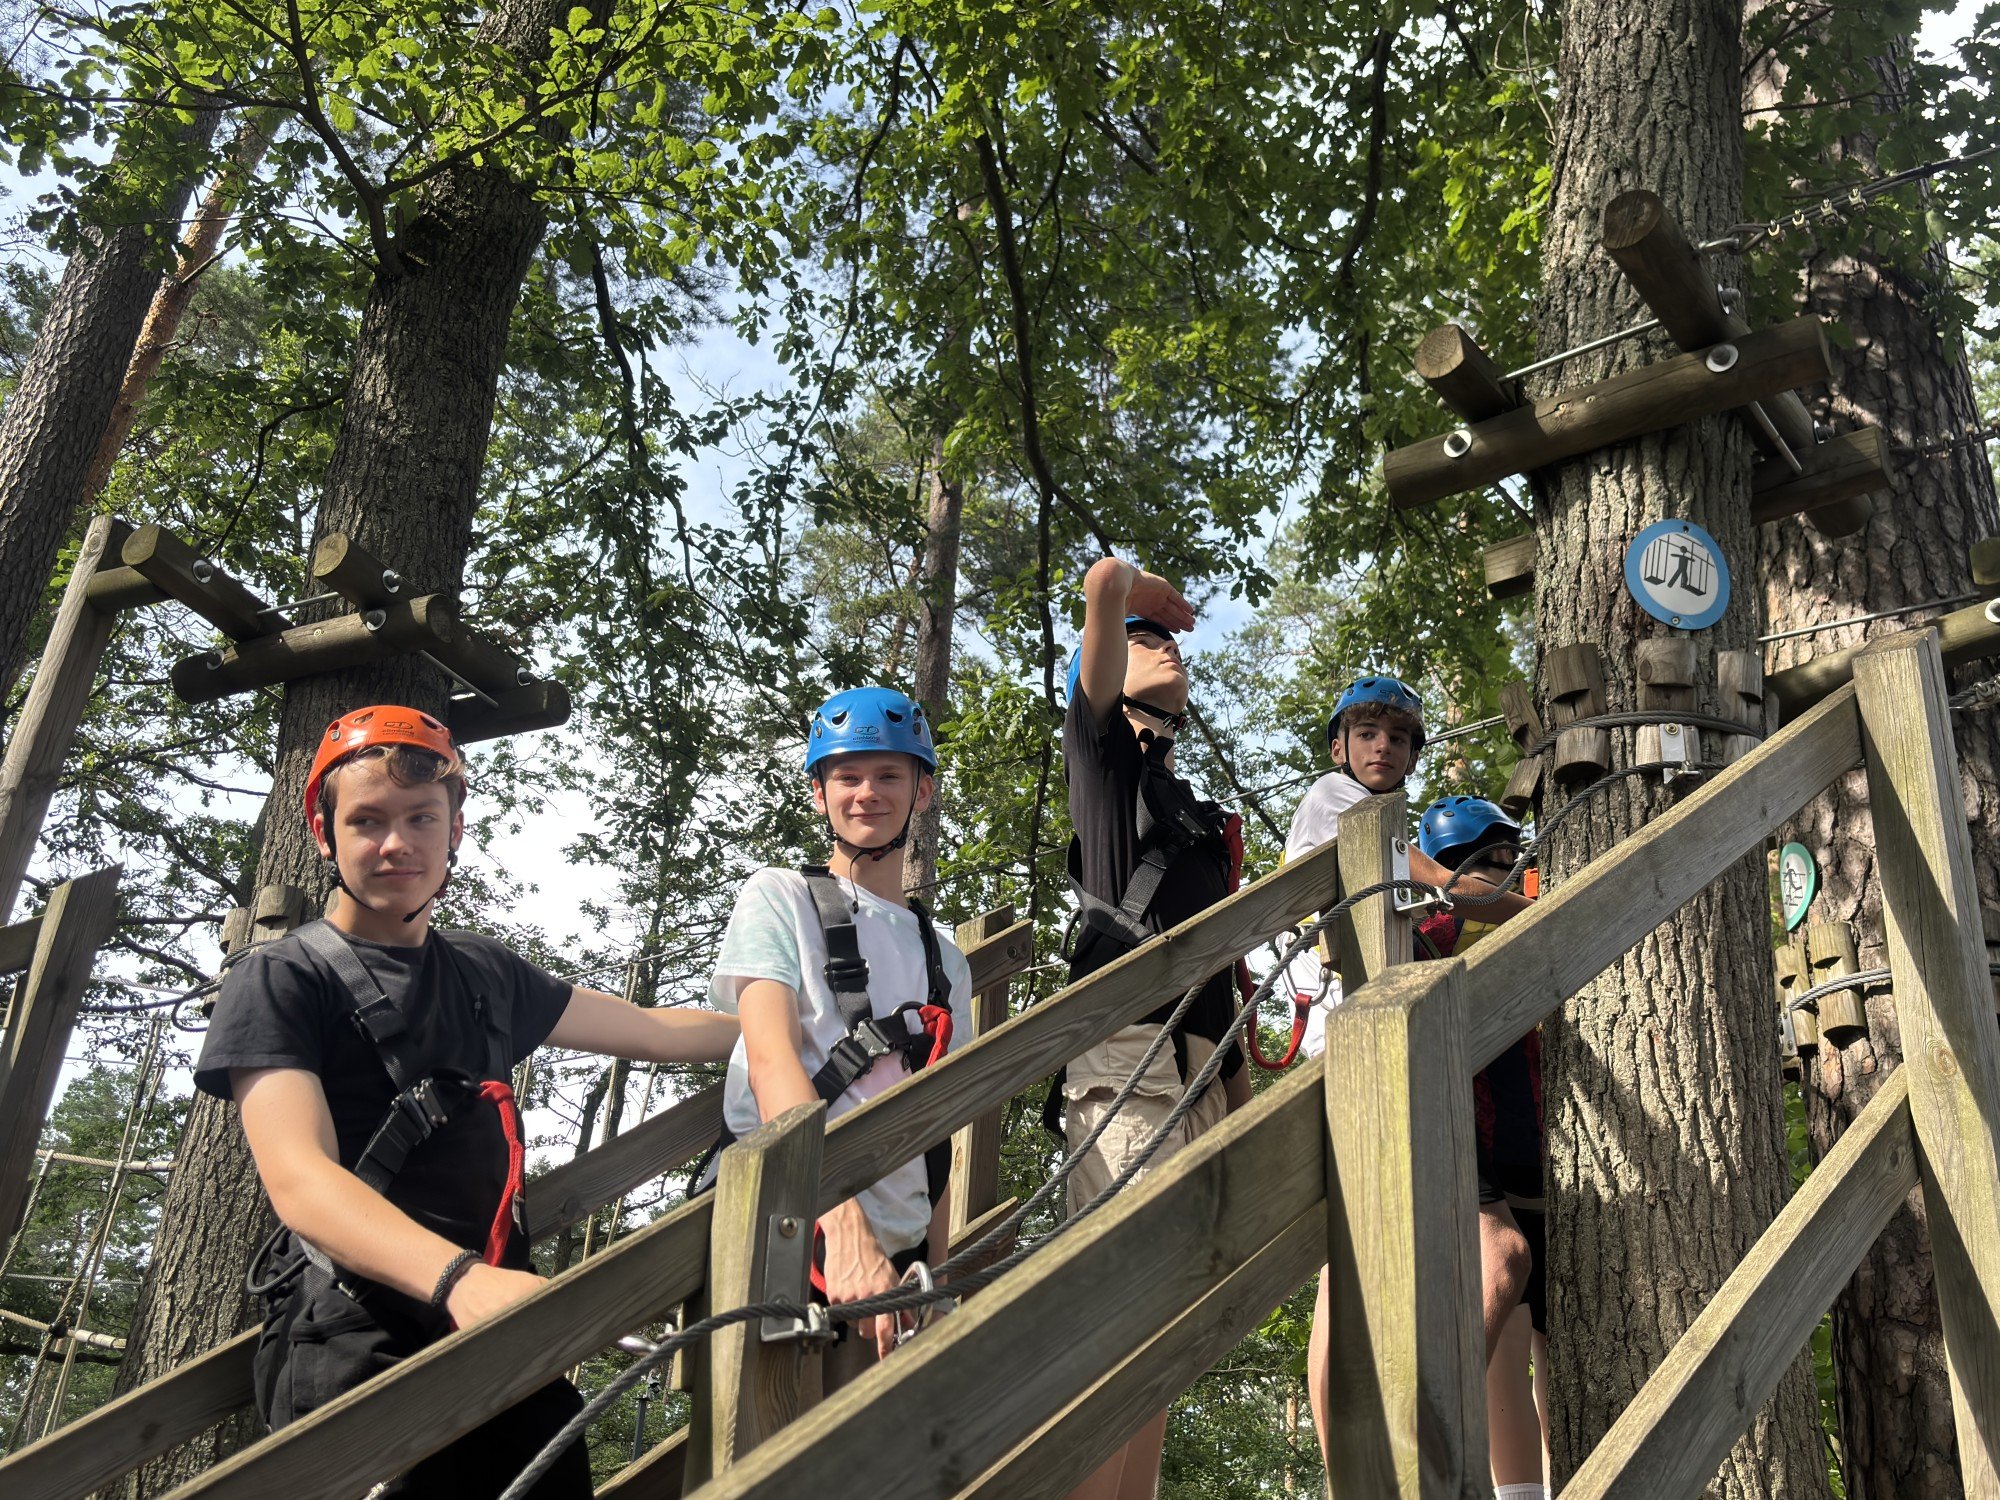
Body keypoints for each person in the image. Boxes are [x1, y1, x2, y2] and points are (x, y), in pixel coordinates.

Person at [196, 705, 740, 1499]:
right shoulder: (282, 977)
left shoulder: (484, 972)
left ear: (454, 829)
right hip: (358, 1336)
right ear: (324, 834)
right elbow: (301, 1179)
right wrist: (459, 1279)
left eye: (422, 817)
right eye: (367, 821)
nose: (397, 843)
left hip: (499, 1331)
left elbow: (651, 1029)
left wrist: (785, 1029)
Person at [1282, 683, 1535, 1469]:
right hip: (1357, 1053)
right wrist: (1533, 906)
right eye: (1367, 732)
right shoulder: (1338, 802)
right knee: (1364, 1272)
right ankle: (1377, 1461)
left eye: (1399, 737)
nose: (1383, 746)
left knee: (1455, 1260)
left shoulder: (1376, 823)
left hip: (1391, 1055)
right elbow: (1443, 883)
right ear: (1339, 747)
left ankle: (1404, 1445)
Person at [707, 686, 973, 1394]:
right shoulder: (780, 897)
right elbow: (771, 1061)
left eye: (888, 774)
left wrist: (935, 1272)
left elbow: (936, 1130)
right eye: (847, 775)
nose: (867, 793)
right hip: (787, 1232)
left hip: (898, 1261)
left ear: (921, 791)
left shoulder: (945, 959)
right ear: (818, 792)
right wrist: (840, 1221)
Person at [1059, 557, 1253, 1500]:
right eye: (1143, 641)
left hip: (1202, 1060)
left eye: (1168, 638)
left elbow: (1220, 969)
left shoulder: (1195, 812)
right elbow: (1101, 586)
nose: (1163, 645)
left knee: (1169, 1321)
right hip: (1129, 1057)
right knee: (1118, 1312)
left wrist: (1241, 1090)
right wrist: (1130, 595)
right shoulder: (1105, 765)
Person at [1418, 796, 1549, 1500]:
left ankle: (1548, 1485)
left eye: (1508, 858)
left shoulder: (1512, 912)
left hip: (1531, 1144)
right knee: (1511, 1306)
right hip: (1481, 1143)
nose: (1505, 870)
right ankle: (1505, 1483)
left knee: (1546, 1326)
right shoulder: (1433, 927)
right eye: (1492, 860)